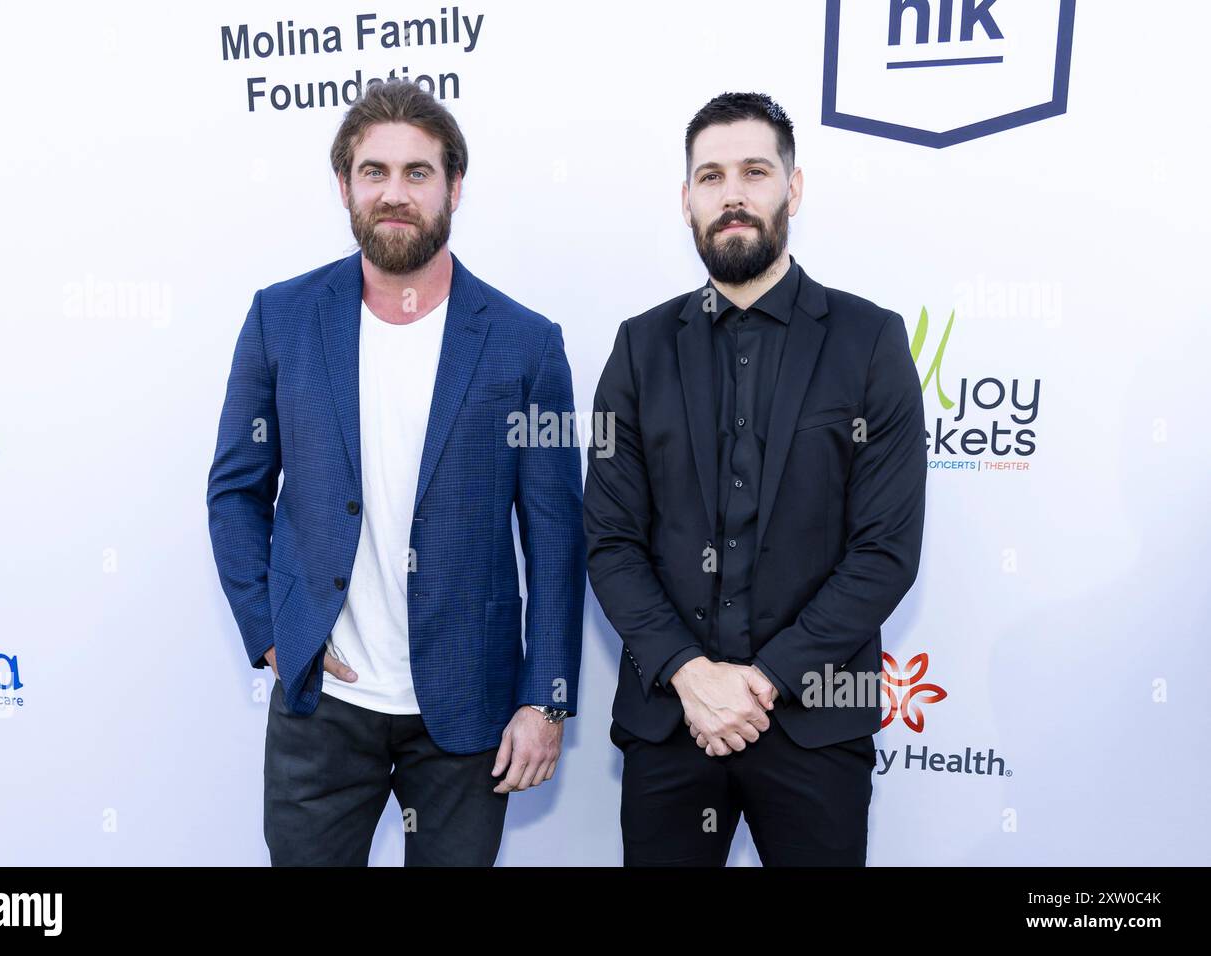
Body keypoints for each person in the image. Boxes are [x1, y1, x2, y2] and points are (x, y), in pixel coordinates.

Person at [207, 80, 584, 866]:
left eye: (418, 173)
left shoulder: (527, 346)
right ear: (344, 186)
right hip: (324, 705)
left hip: (467, 715)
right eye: (374, 171)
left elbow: (556, 542)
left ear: (454, 188)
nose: (395, 193)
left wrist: (545, 699)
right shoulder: (281, 319)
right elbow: (236, 492)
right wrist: (276, 638)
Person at [584, 91, 926, 866]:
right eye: (710, 176)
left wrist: (764, 680)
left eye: (754, 171)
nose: (731, 194)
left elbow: (884, 551)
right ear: (685, 200)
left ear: (793, 189)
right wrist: (687, 672)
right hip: (671, 724)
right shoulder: (638, 351)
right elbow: (609, 541)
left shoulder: (870, 342)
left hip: (814, 727)